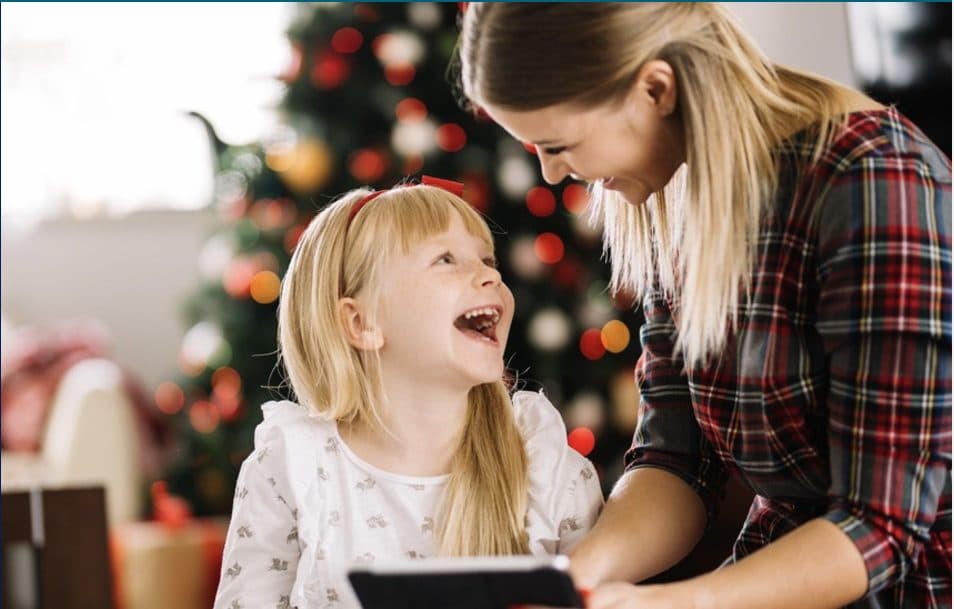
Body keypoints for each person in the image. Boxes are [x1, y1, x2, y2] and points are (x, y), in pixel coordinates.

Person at [458, 3, 951, 609]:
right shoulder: (684, 194)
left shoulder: (874, 180)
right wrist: (573, 580)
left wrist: (680, 603)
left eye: (560, 144)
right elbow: (677, 460)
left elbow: (880, 528)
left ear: (656, 88)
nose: (554, 174)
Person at [212, 179, 603, 609]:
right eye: (446, 259)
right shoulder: (292, 465)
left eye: (488, 260)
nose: (491, 274)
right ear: (361, 324)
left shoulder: (545, 464)